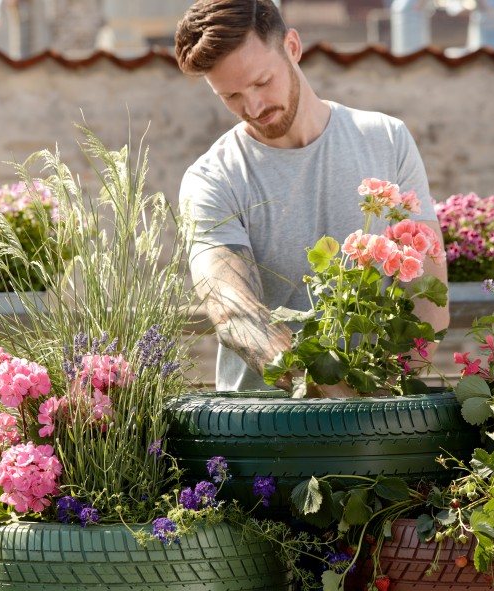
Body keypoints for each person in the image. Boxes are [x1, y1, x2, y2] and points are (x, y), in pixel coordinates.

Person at [174, 0, 448, 396]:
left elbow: (428, 295)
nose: (252, 107)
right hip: (260, 423)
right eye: (230, 96)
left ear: (292, 47)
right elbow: (231, 307)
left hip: (381, 415)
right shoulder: (212, 178)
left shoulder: (388, 140)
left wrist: (382, 396)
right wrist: (330, 395)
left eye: (261, 82)